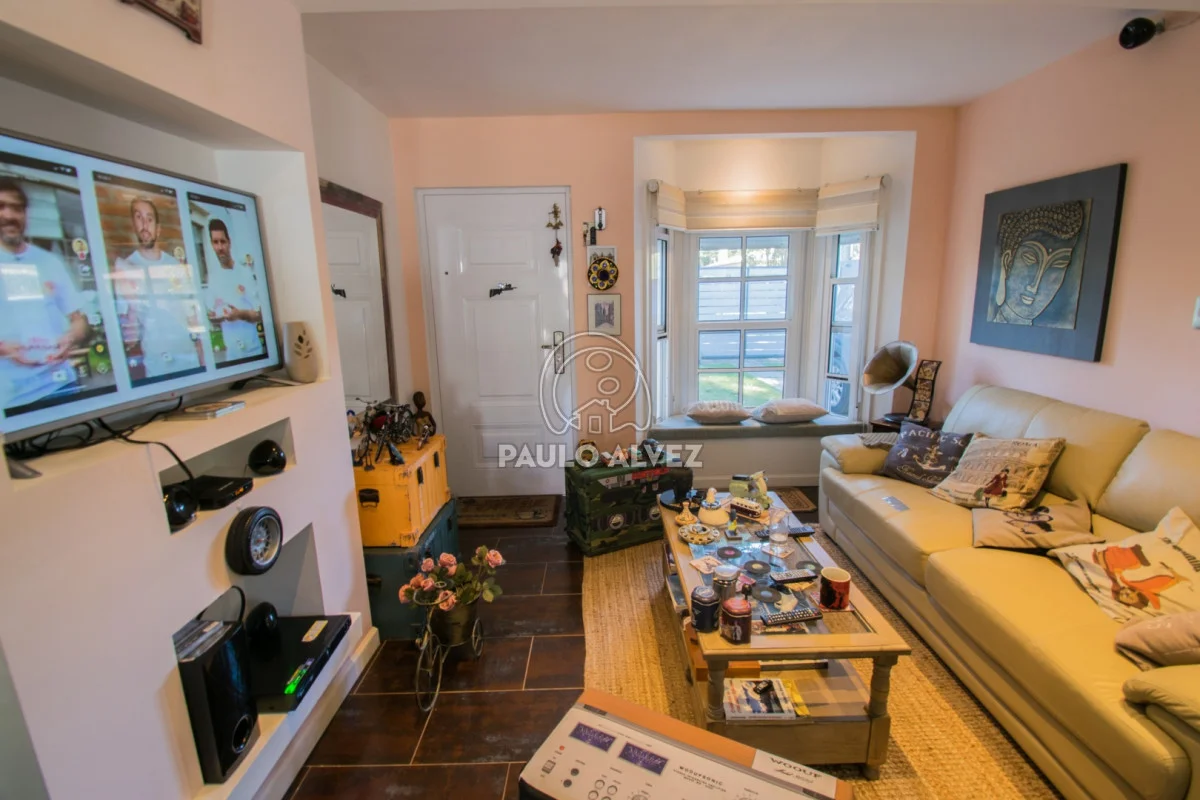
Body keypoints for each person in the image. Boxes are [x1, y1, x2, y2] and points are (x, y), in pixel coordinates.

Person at [0, 177, 90, 409]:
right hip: (11, 398)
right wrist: (3, 347)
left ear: (25, 215)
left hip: (61, 384)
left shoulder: (49, 262)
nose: (9, 215)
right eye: (1, 206)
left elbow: (79, 320)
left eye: (17, 208)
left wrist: (69, 338)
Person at [111, 196, 201, 380]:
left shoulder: (175, 266)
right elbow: (130, 339)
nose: (145, 225)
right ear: (133, 225)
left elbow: (194, 321)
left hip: (190, 364)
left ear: (158, 229)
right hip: (157, 370)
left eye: (149, 219)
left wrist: (205, 365)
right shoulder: (125, 269)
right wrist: (131, 296)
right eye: (139, 217)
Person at [204, 218, 264, 360]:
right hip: (231, 355)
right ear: (211, 244)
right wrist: (215, 317)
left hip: (253, 351)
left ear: (229, 242)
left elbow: (259, 314)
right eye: (215, 242)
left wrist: (239, 314)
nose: (220, 247)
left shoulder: (245, 273)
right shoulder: (213, 279)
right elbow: (212, 317)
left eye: (223, 241)